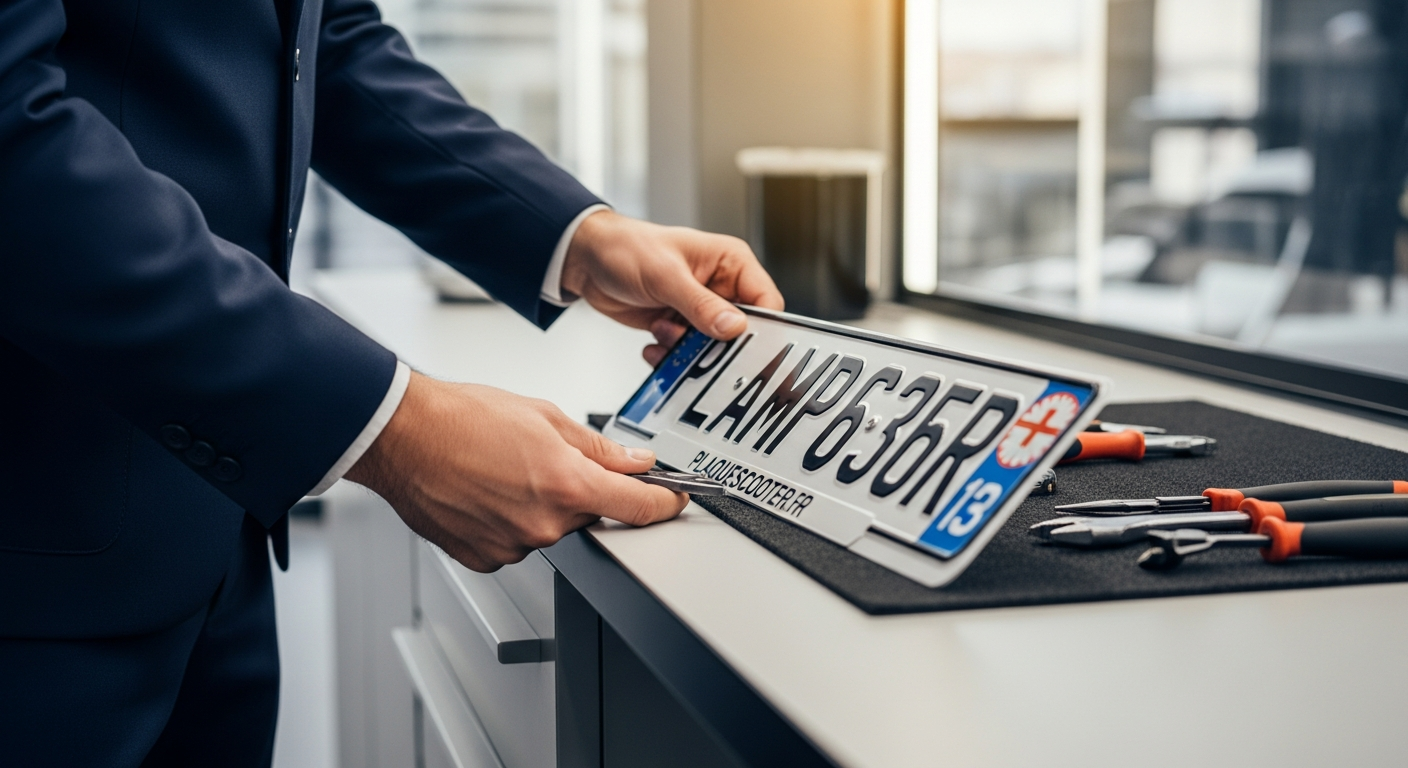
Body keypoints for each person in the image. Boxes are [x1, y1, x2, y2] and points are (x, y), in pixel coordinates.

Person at [0, 0, 783, 764]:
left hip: (211, 531)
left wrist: (576, 236)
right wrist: (395, 428)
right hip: (37, 545)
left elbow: (324, 40)